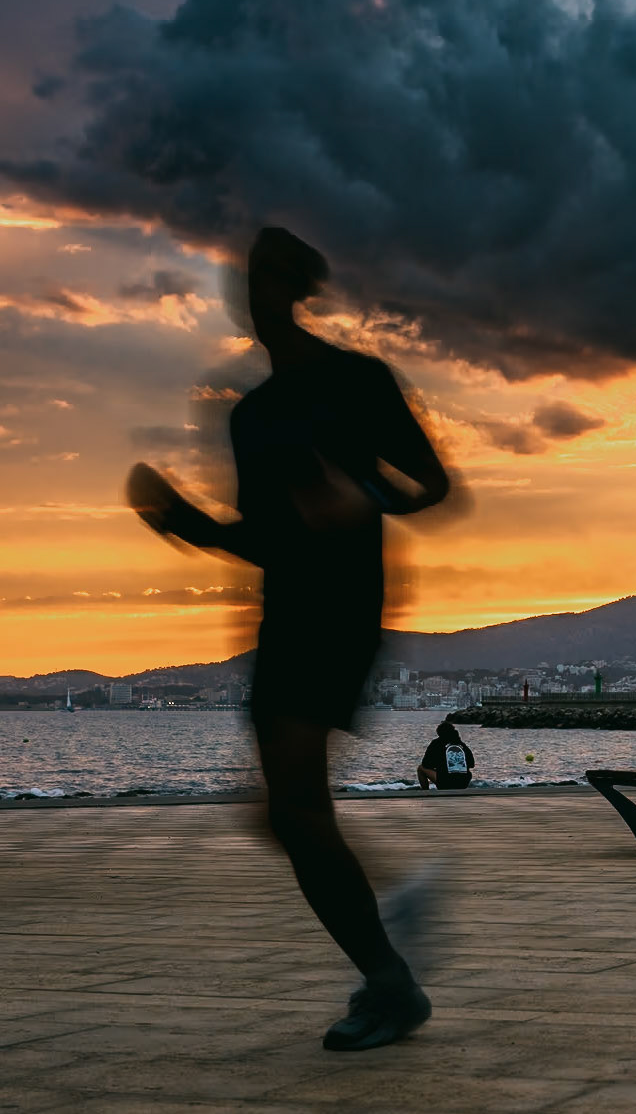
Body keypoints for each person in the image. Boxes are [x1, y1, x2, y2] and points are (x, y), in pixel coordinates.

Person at [126, 227, 454, 1053]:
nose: (257, 294)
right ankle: (395, 920)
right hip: (283, 617)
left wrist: (364, 495)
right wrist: (190, 525)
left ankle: (390, 984)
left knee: (298, 809)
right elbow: (266, 539)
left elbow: (434, 483)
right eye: (248, 280)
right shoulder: (253, 416)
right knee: (279, 813)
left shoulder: (357, 380)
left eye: (271, 278)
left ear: (300, 289)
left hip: (344, 610)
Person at [418, 721, 473, 791]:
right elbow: (471, 764)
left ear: (439, 733)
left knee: (421, 768)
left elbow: (426, 764)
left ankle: (426, 792)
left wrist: (438, 765)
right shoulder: (461, 744)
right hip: (463, 782)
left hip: (445, 782)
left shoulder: (436, 743)